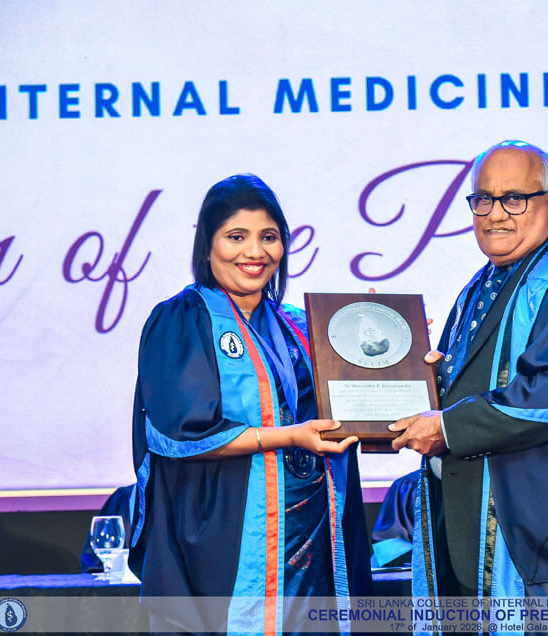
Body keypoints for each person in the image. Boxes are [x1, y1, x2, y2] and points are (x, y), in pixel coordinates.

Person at [390, 140, 548, 600]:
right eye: (483, 199)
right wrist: (412, 368)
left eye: (514, 198)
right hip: (479, 533)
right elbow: (477, 389)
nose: (495, 214)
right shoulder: (483, 285)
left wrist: (448, 427)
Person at [128, 174, 371, 634]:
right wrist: (289, 436)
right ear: (207, 246)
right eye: (236, 237)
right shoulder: (183, 320)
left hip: (308, 540)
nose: (255, 252)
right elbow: (182, 432)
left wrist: (392, 347)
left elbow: (346, 407)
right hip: (224, 538)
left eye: (269, 237)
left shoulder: (299, 326)